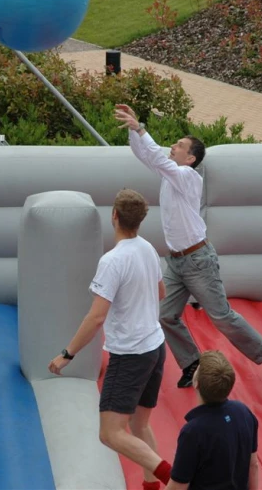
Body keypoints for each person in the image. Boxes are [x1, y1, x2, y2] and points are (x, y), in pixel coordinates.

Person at [113, 104, 262, 388]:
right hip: (176, 261)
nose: (173, 146)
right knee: (164, 315)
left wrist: (140, 128)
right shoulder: (171, 174)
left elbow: (158, 159)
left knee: (221, 317)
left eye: (179, 145)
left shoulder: (187, 177)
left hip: (197, 260)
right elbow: (147, 156)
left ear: (191, 158)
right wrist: (135, 130)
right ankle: (191, 362)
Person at [48, 189, 173, 490]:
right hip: (155, 346)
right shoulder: (147, 249)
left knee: (110, 433)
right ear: (140, 220)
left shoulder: (112, 261)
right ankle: (153, 487)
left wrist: (67, 353)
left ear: (114, 216)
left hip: (130, 354)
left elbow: (96, 317)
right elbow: (161, 294)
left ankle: (176, 480)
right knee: (139, 425)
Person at [165, 351, 259, 490]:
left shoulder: (192, 432)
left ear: (196, 383)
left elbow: (178, 486)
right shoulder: (243, 412)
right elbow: (253, 465)